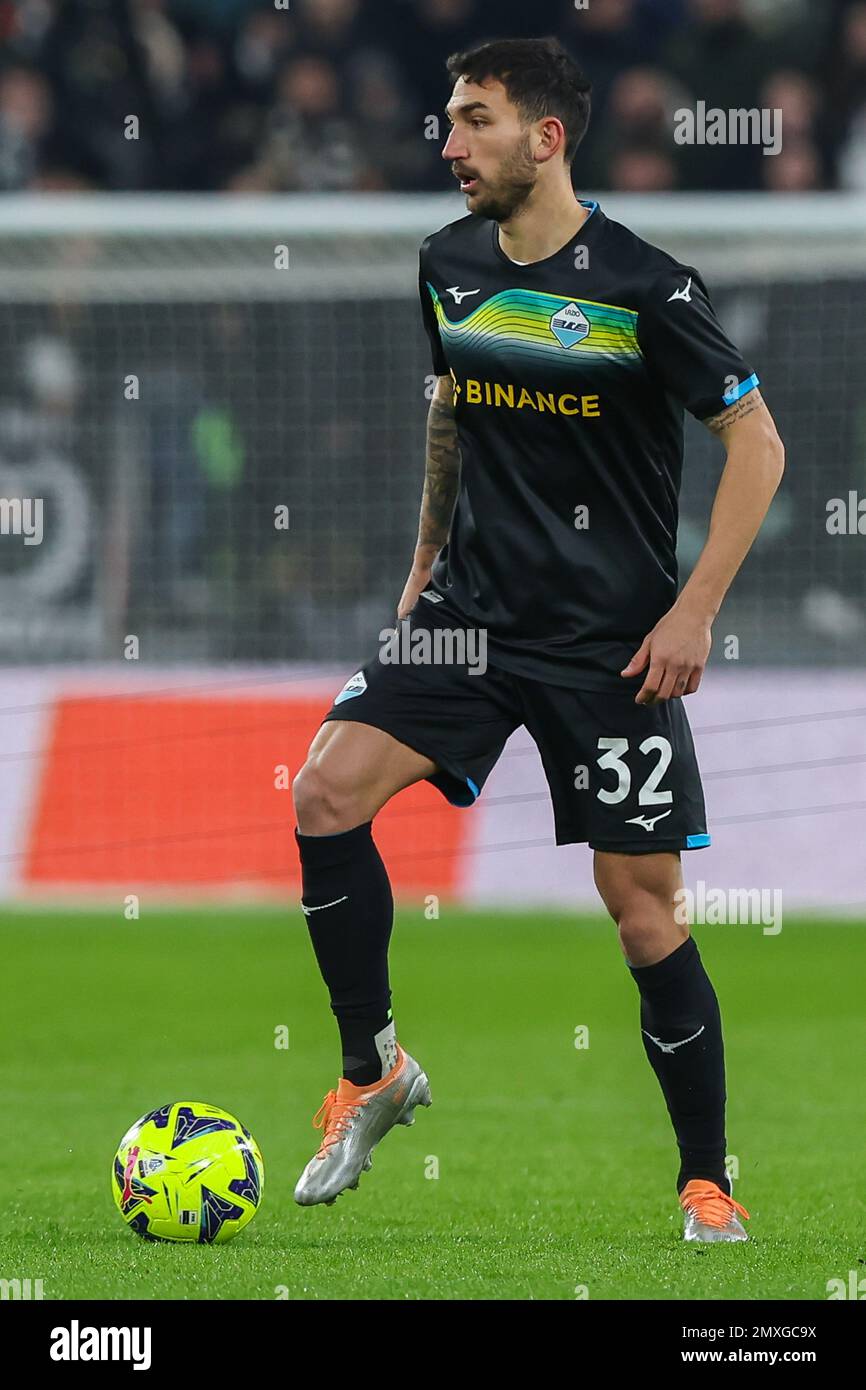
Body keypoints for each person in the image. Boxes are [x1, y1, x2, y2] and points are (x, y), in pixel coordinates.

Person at [292, 36, 784, 1241]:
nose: (448, 145)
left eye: (472, 121)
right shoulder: (448, 263)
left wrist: (691, 609)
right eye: (446, 122)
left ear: (544, 138)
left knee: (642, 910)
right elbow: (453, 407)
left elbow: (757, 446)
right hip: (469, 619)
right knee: (322, 794)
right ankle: (373, 1071)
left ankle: (704, 1179)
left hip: (611, 644)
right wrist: (420, 559)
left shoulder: (641, 286)